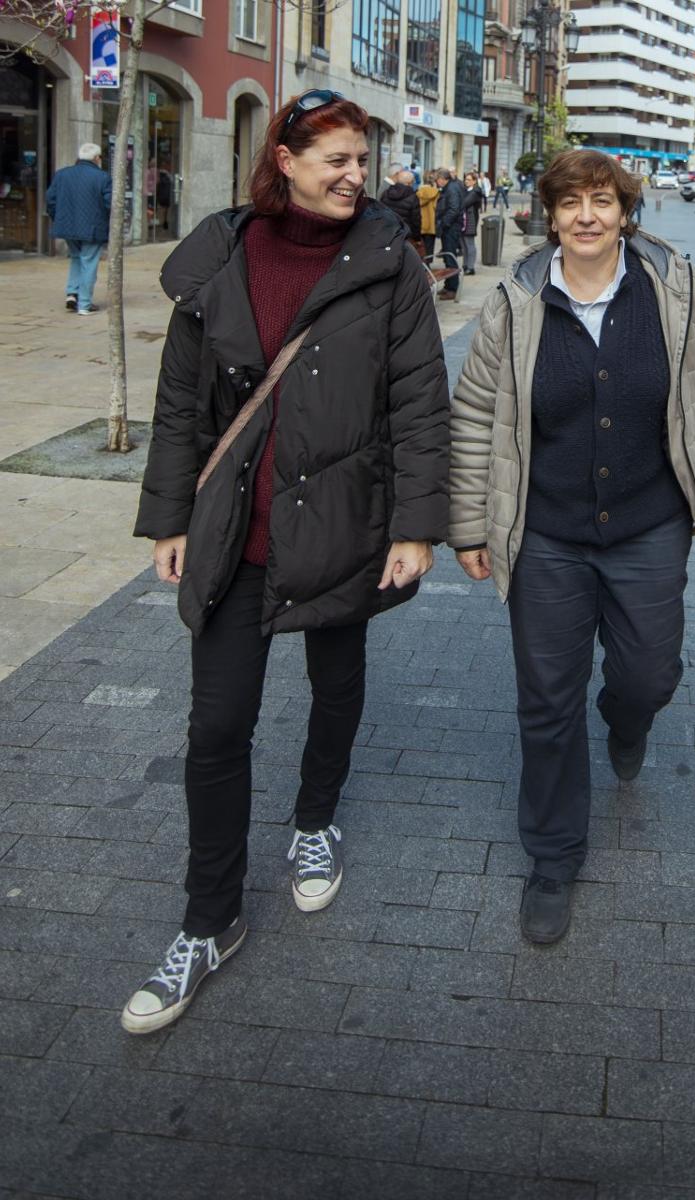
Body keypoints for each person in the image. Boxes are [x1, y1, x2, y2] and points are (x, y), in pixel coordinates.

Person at [124, 89, 450, 1035]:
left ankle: (315, 823)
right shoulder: (224, 252)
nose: (355, 175)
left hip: (345, 520)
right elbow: (182, 402)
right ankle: (208, 919)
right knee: (217, 726)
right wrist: (167, 520)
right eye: (336, 159)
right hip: (237, 532)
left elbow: (421, 405)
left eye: (362, 159)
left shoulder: (391, 263)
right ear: (287, 160)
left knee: (335, 679)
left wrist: (415, 526)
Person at [449, 148, 695, 947]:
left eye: (603, 201)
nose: (587, 215)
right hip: (545, 531)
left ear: (625, 212)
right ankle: (552, 857)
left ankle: (628, 719)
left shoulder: (676, 290)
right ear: (549, 214)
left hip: (650, 525)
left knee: (648, 674)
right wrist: (470, 523)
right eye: (571, 201)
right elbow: (476, 414)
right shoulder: (515, 300)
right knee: (546, 699)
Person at [45, 142, 111, 315]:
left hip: (68, 227)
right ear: (96, 158)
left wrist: (57, 218)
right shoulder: (102, 177)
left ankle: (72, 293)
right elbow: (110, 204)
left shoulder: (62, 174)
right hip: (92, 229)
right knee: (88, 262)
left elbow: (50, 199)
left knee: (76, 258)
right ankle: (84, 303)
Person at [435, 166, 467, 300]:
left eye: (437, 179)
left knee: (450, 257)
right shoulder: (450, 187)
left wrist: (443, 224)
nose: (436, 182)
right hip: (449, 227)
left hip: (451, 228)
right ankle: (448, 285)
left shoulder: (452, 189)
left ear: (443, 179)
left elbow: (453, 210)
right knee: (447, 257)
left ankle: (452, 288)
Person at [379, 166, 418, 238]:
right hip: (406, 234)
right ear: (409, 183)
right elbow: (416, 219)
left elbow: (381, 212)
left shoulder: (386, 192)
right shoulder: (413, 197)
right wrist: (417, 237)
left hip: (388, 232)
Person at [460, 169, 485, 275]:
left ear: (474, 181)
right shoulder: (466, 190)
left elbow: (464, 203)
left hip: (470, 221)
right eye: (465, 179)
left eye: (469, 180)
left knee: (469, 244)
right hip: (463, 220)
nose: (466, 181)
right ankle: (465, 265)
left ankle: (471, 267)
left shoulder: (475, 191)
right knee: (463, 244)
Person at [417, 169, 440, 261]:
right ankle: (428, 264)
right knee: (429, 247)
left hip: (421, 223)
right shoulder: (436, 192)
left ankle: (422, 264)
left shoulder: (418, 193)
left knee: (420, 247)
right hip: (431, 224)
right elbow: (437, 207)